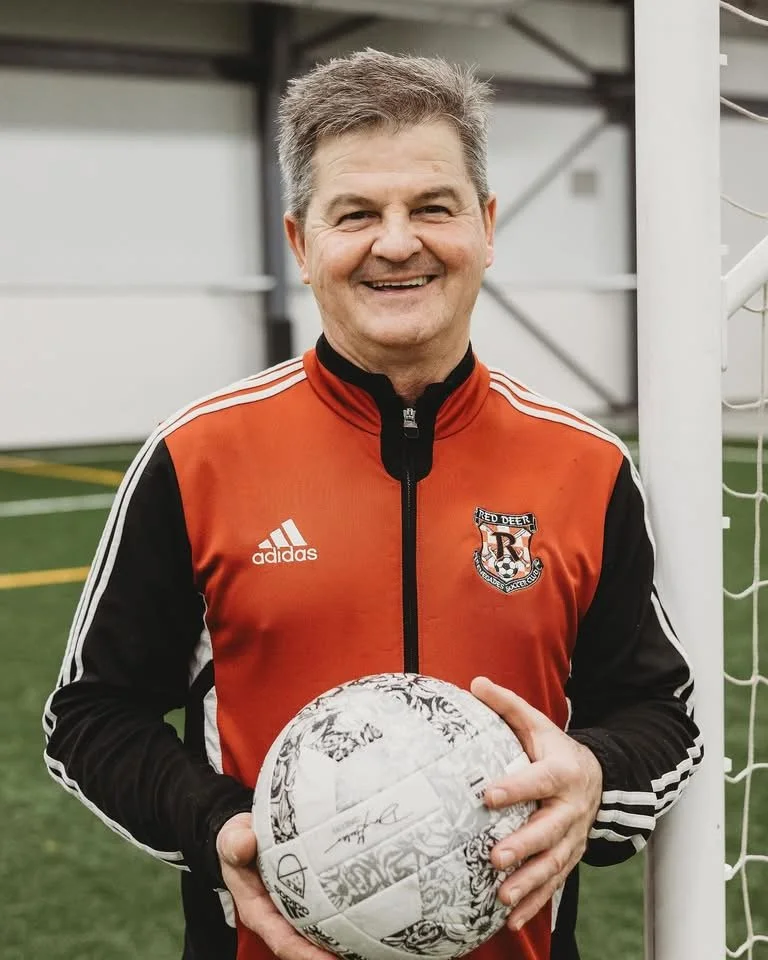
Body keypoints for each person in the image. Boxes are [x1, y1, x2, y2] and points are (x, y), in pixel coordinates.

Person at [43, 49, 702, 960]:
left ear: (486, 225)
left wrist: (595, 776)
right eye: (357, 214)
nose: (399, 243)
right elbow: (89, 713)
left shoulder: (584, 464)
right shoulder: (195, 455)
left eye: (433, 206)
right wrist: (217, 824)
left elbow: (658, 710)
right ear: (302, 244)